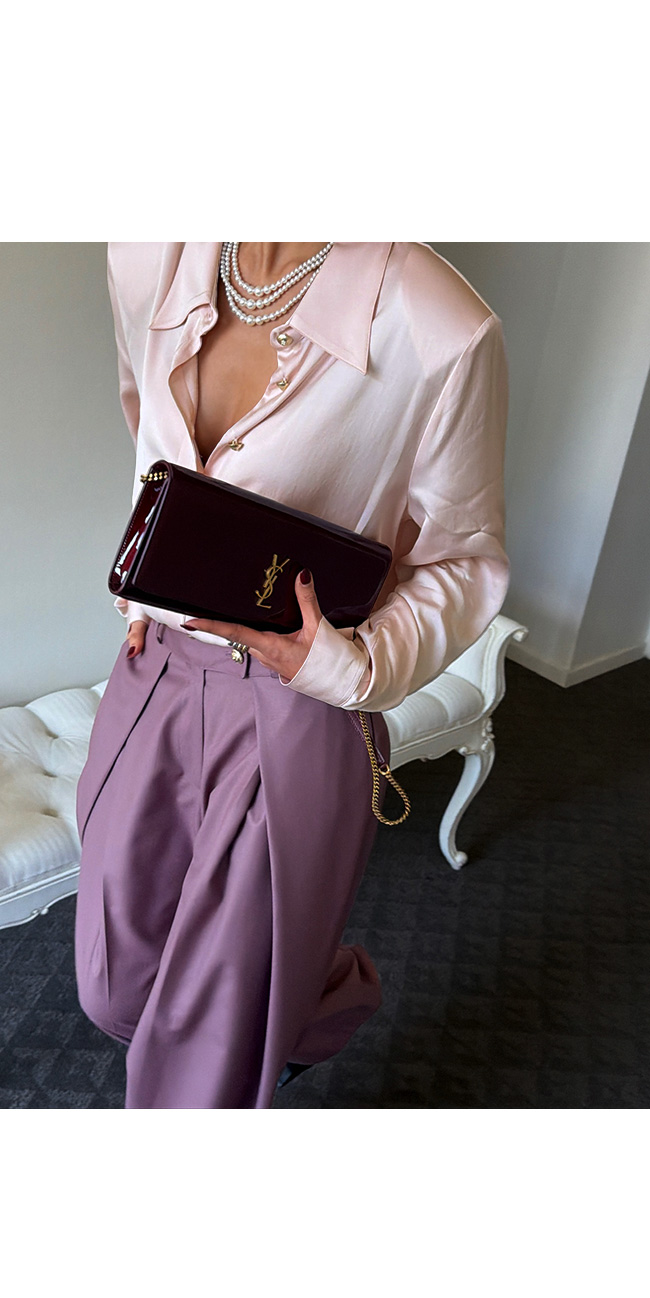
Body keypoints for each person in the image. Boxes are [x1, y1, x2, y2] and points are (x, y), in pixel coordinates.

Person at [74, 242, 511, 1108]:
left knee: (201, 1055)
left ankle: (264, 999)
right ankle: (310, 994)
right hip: (154, 673)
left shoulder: (444, 330)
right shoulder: (146, 252)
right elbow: (149, 434)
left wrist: (352, 667)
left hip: (298, 706)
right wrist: (149, 579)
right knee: (113, 986)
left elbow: (465, 561)